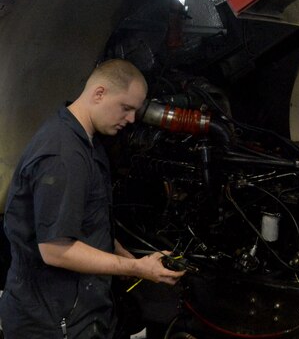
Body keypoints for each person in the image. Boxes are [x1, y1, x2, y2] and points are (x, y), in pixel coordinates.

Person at [0, 59, 184, 338]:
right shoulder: (63, 156)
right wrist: (137, 267)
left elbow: (86, 217)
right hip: (52, 321)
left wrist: (115, 250)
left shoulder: (85, 140)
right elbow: (55, 250)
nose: (131, 119)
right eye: (126, 108)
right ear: (99, 93)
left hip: (77, 308)